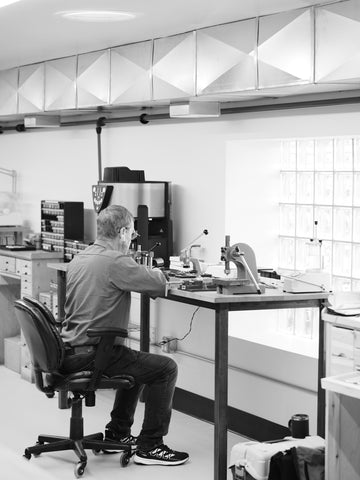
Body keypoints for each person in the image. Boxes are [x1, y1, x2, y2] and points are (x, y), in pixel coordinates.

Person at [60, 204, 189, 466]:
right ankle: (151, 446)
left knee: (138, 362)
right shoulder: (116, 261)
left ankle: (118, 433)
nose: (132, 239)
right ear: (122, 231)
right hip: (94, 353)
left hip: (71, 349)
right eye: (131, 233)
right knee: (165, 368)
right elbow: (158, 283)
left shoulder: (80, 257)